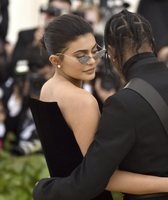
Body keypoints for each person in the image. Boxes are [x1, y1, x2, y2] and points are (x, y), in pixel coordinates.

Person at [30, 13, 168, 200]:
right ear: (55, 61)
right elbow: (99, 177)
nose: (93, 61)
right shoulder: (83, 101)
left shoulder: (48, 89)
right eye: (82, 57)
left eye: (95, 51)